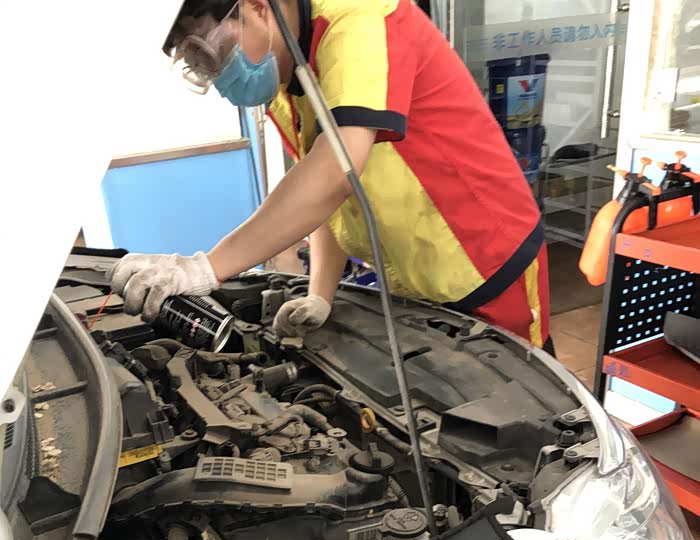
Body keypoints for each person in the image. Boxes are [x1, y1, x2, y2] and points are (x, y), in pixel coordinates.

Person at [110, 0, 551, 349]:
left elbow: (334, 174)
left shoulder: (360, 19)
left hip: (485, 260)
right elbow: (320, 193)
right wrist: (320, 293)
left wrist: (207, 267)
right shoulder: (286, 72)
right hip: (413, 274)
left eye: (218, 53)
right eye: (203, 65)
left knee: (522, 413)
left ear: (257, 7)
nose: (222, 76)